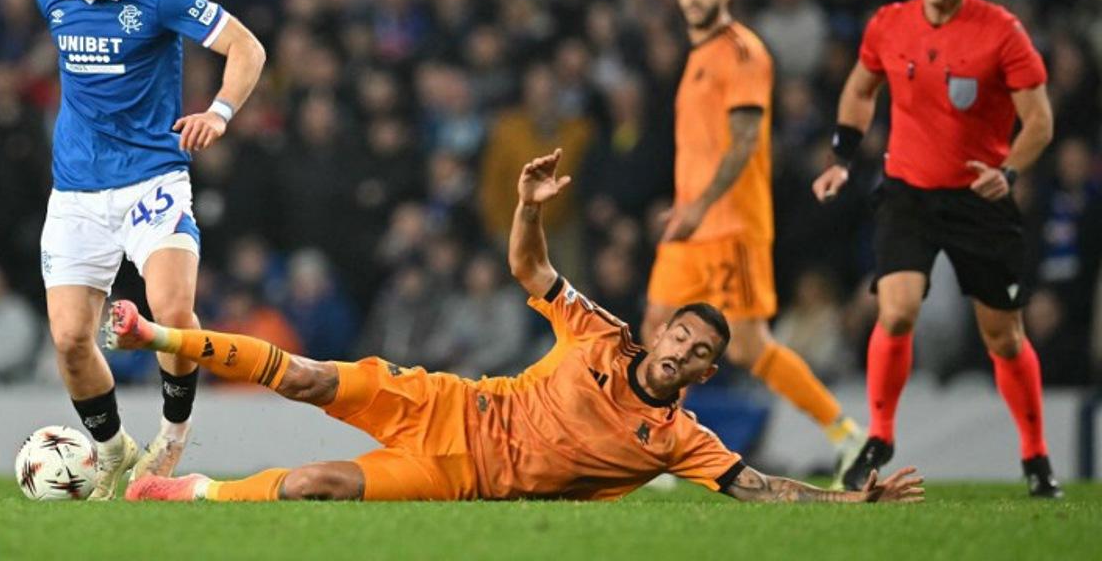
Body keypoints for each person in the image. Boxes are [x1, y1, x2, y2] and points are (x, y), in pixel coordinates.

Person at [111, 150, 924, 506]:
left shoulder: (678, 439)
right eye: (681, 335)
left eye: (702, 354)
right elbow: (532, 273)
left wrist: (855, 505)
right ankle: (160, 337)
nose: (683, 352)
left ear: (708, 372)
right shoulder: (602, 332)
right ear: (665, 330)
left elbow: (757, 488)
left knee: (319, 485)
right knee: (310, 375)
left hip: (466, 479)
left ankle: (182, 495)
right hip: (448, 405)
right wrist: (528, 209)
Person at [812, 0, 1061, 497]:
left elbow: (1041, 123)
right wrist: (843, 158)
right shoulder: (889, 25)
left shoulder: (1001, 32)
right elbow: (859, 88)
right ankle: (880, 435)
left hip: (980, 196)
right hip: (908, 192)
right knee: (895, 311)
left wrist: (1009, 170)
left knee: (1003, 337)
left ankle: (1035, 453)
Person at [36, 0, 266, 499]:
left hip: (153, 179)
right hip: (78, 192)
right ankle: (111, 451)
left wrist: (218, 112)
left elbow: (247, 47)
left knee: (172, 311)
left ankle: (171, 436)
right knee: (68, 339)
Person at [642, 0, 865, 483]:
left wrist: (700, 203)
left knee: (748, 346)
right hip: (692, 225)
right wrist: (687, 203)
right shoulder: (697, 56)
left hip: (732, 226)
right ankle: (660, 451)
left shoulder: (744, 54)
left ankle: (849, 437)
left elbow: (743, 144)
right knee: (656, 326)